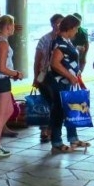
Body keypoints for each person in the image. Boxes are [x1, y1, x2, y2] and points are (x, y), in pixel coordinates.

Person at [48, 14, 91, 154]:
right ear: (70, 28)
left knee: (69, 109)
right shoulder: (60, 42)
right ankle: (57, 142)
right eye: (76, 28)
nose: (77, 31)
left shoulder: (66, 41)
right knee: (59, 112)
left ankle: (73, 138)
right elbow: (54, 63)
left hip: (67, 82)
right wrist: (69, 75)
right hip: (60, 82)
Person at [0, 15, 23, 157]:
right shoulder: (2, 43)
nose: (14, 28)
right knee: (2, 113)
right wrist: (16, 74)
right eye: (13, 25)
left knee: (8, 110)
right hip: (1, 79)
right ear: (8, 26)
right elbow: (1, 67)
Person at [32, 13, 64, 143]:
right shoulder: (44, 39)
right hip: (45, 76)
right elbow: (37, 60)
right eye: (57, 23)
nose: (59, 25)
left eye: (62, 23)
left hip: (59, 77)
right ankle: (44, 130)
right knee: (45, 103)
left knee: (55, 104)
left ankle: (52, 130)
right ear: (52, 24)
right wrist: (35, 77)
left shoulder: (64, 40)